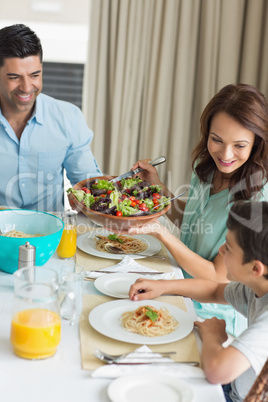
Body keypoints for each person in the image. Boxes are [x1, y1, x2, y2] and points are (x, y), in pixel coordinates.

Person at [124, 83, 268, 337]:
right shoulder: (208, 169)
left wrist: (161, 233)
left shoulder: (256, 201)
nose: (225, 154)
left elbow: (217, 277)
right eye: (217, 140)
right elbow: (193, 220)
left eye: (239, 145)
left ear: (257, 143)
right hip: (176, 286)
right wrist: (157, 188)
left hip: (213, 316)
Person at [129, 201, 268, 402]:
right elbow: (214, 290)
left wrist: (212, 335)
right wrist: (163, 286)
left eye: (228, 248)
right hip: (236, 383)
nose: (220, 251)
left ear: (255, 269)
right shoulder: (256, 286)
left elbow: (218, 371)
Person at [0, 24, 101, 212]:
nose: (26, 87)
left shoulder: (68, 118)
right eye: (14, 77)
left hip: (51, 235)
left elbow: (90, 188)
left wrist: (126, 189)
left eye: (34, 75)